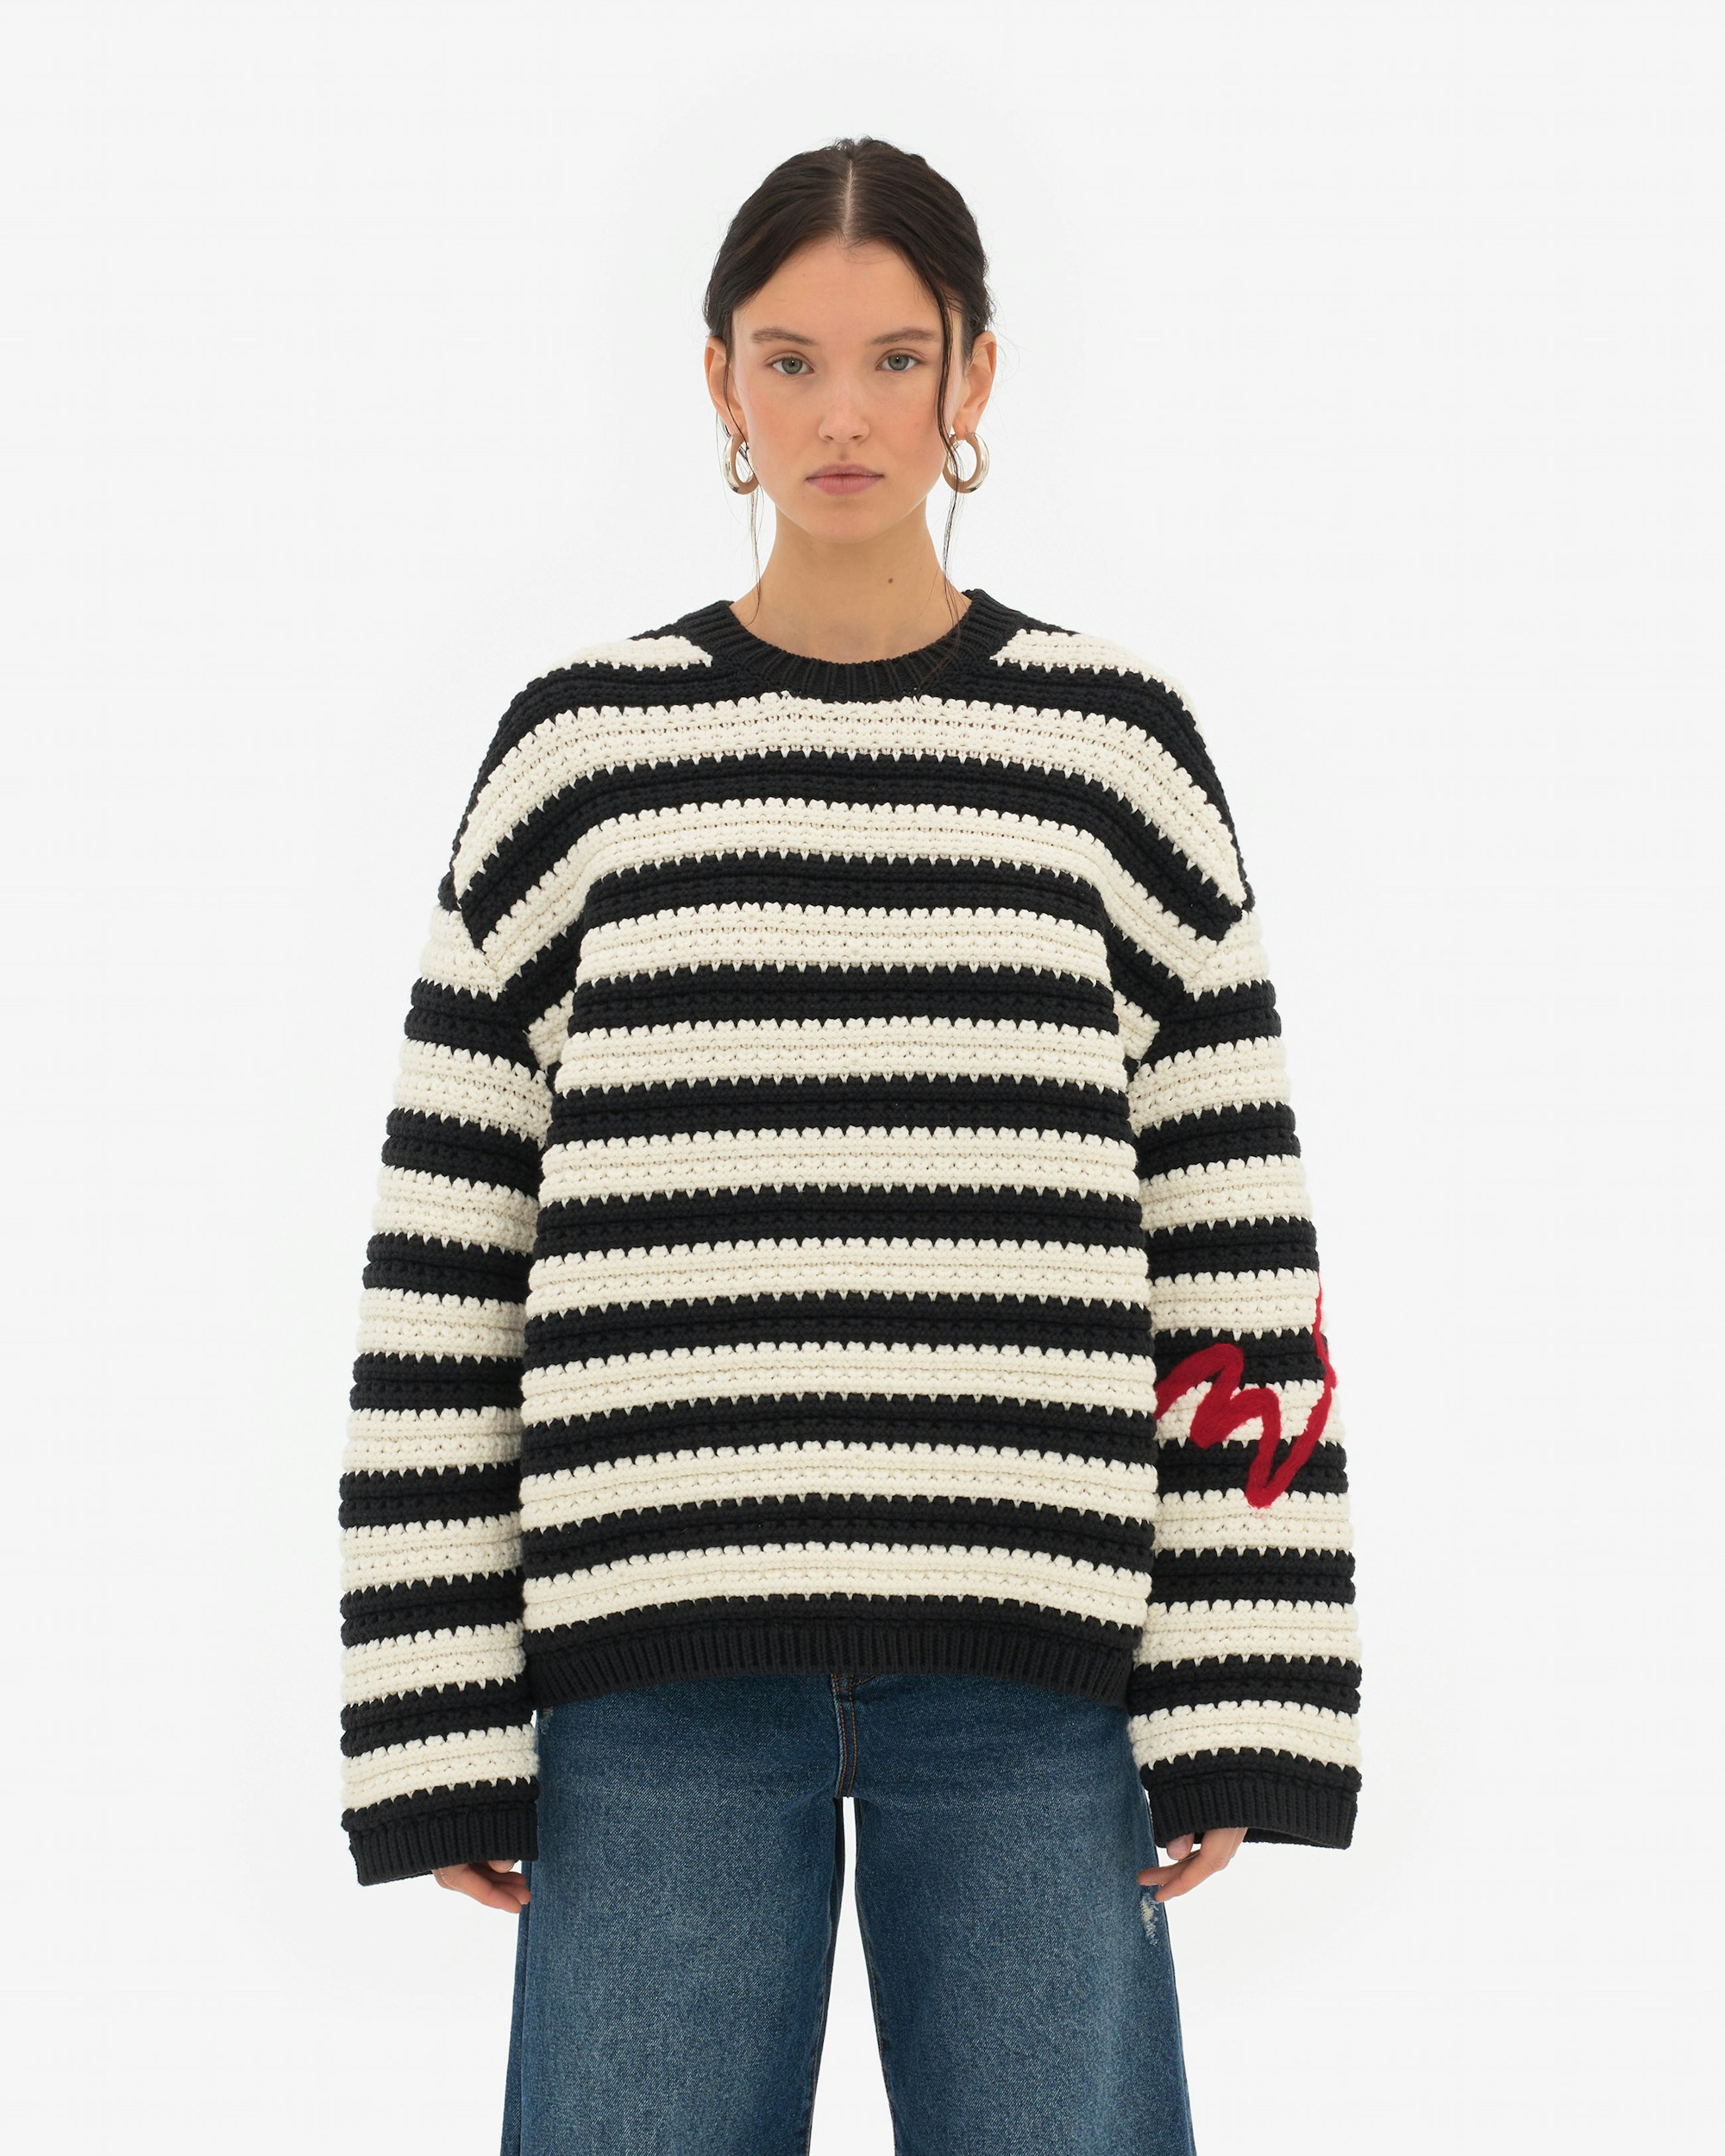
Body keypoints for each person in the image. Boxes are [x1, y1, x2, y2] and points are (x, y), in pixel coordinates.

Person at [336, 135, 1362, 2156]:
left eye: (895, 358)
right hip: (650, 1669)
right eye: (789, 360)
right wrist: (434, 1703)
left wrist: (1245, 1675)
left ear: (975, 374)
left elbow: (1229, 1232)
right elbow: (449, 1256)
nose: (841, 415)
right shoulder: (580, 756)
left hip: (1035, 1668)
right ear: (717, 379)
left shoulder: (1111, 751)